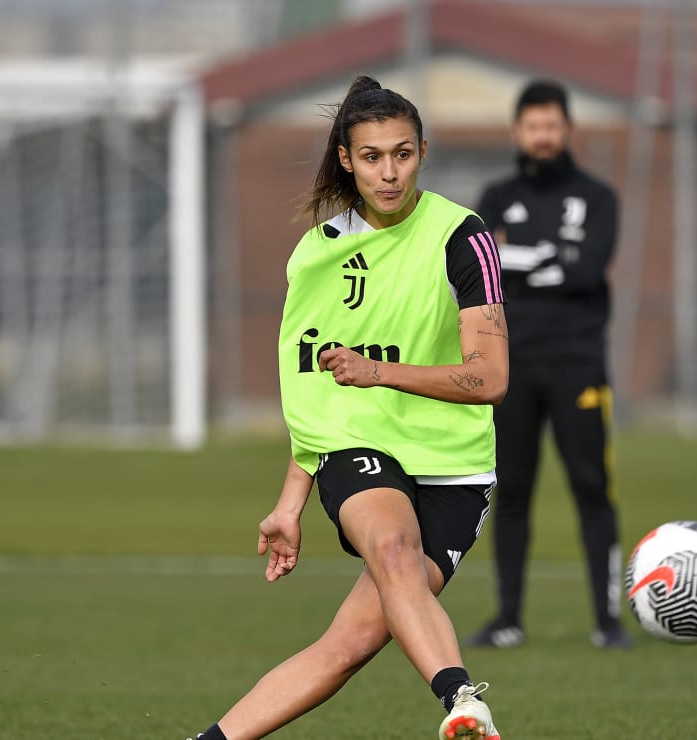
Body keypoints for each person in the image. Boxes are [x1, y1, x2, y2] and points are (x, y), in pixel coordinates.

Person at [186, 75, 508, 740]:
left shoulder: (461, 236)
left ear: (422, 151)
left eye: (402, 154)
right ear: (345, 158)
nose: (388, 173)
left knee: (350, 644)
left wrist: (379, 371)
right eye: (371, 157)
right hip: (361, 447)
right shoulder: (317, 255)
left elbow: (492, 377)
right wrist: (290, 500)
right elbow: (316, 396)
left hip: (456, 468)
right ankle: (463, 701)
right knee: (392, 547)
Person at [464, 79, 632, 651]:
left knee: (591, 486)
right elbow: (480, 268)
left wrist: (521, 259)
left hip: (578, 364)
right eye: (532, 126)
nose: (542, 136)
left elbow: (587, 270)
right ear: (518, 132)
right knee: (510, 491)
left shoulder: (599, 197)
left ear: (567, 130)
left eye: (551, 126)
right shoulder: (495, 195)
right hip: (510, 367)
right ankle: (508, 618)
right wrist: (547, 260)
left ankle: (608, 622)